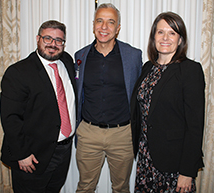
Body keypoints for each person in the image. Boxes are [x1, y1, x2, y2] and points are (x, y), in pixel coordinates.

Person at [131, 12, 205, 193]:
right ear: (153, 37)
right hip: (146, 158)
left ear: (180, 39)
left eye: (172, 33)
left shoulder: (190, 70)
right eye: (160, 32)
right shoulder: (148, 68)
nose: (165, 38)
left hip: (174, 163)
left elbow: (195, 125)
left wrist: (187, 171)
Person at [0, 20, 77, 193]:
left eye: (59, 40)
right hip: (33, 155)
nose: (53, 44)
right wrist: (22, 154)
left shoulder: (66, 61)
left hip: (63, 150)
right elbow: (10, 118)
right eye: (48, 38)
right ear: (38, 39)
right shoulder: (18, 72)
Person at [74, 3, 142, 193]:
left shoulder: (133, 56)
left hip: (122, 135)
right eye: (100, 21)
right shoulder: (80, 56)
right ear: (93, 24)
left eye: (110, 22)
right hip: (88, 133)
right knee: (85, 186)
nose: (104, 27)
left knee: (121, 188)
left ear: (118, 28)